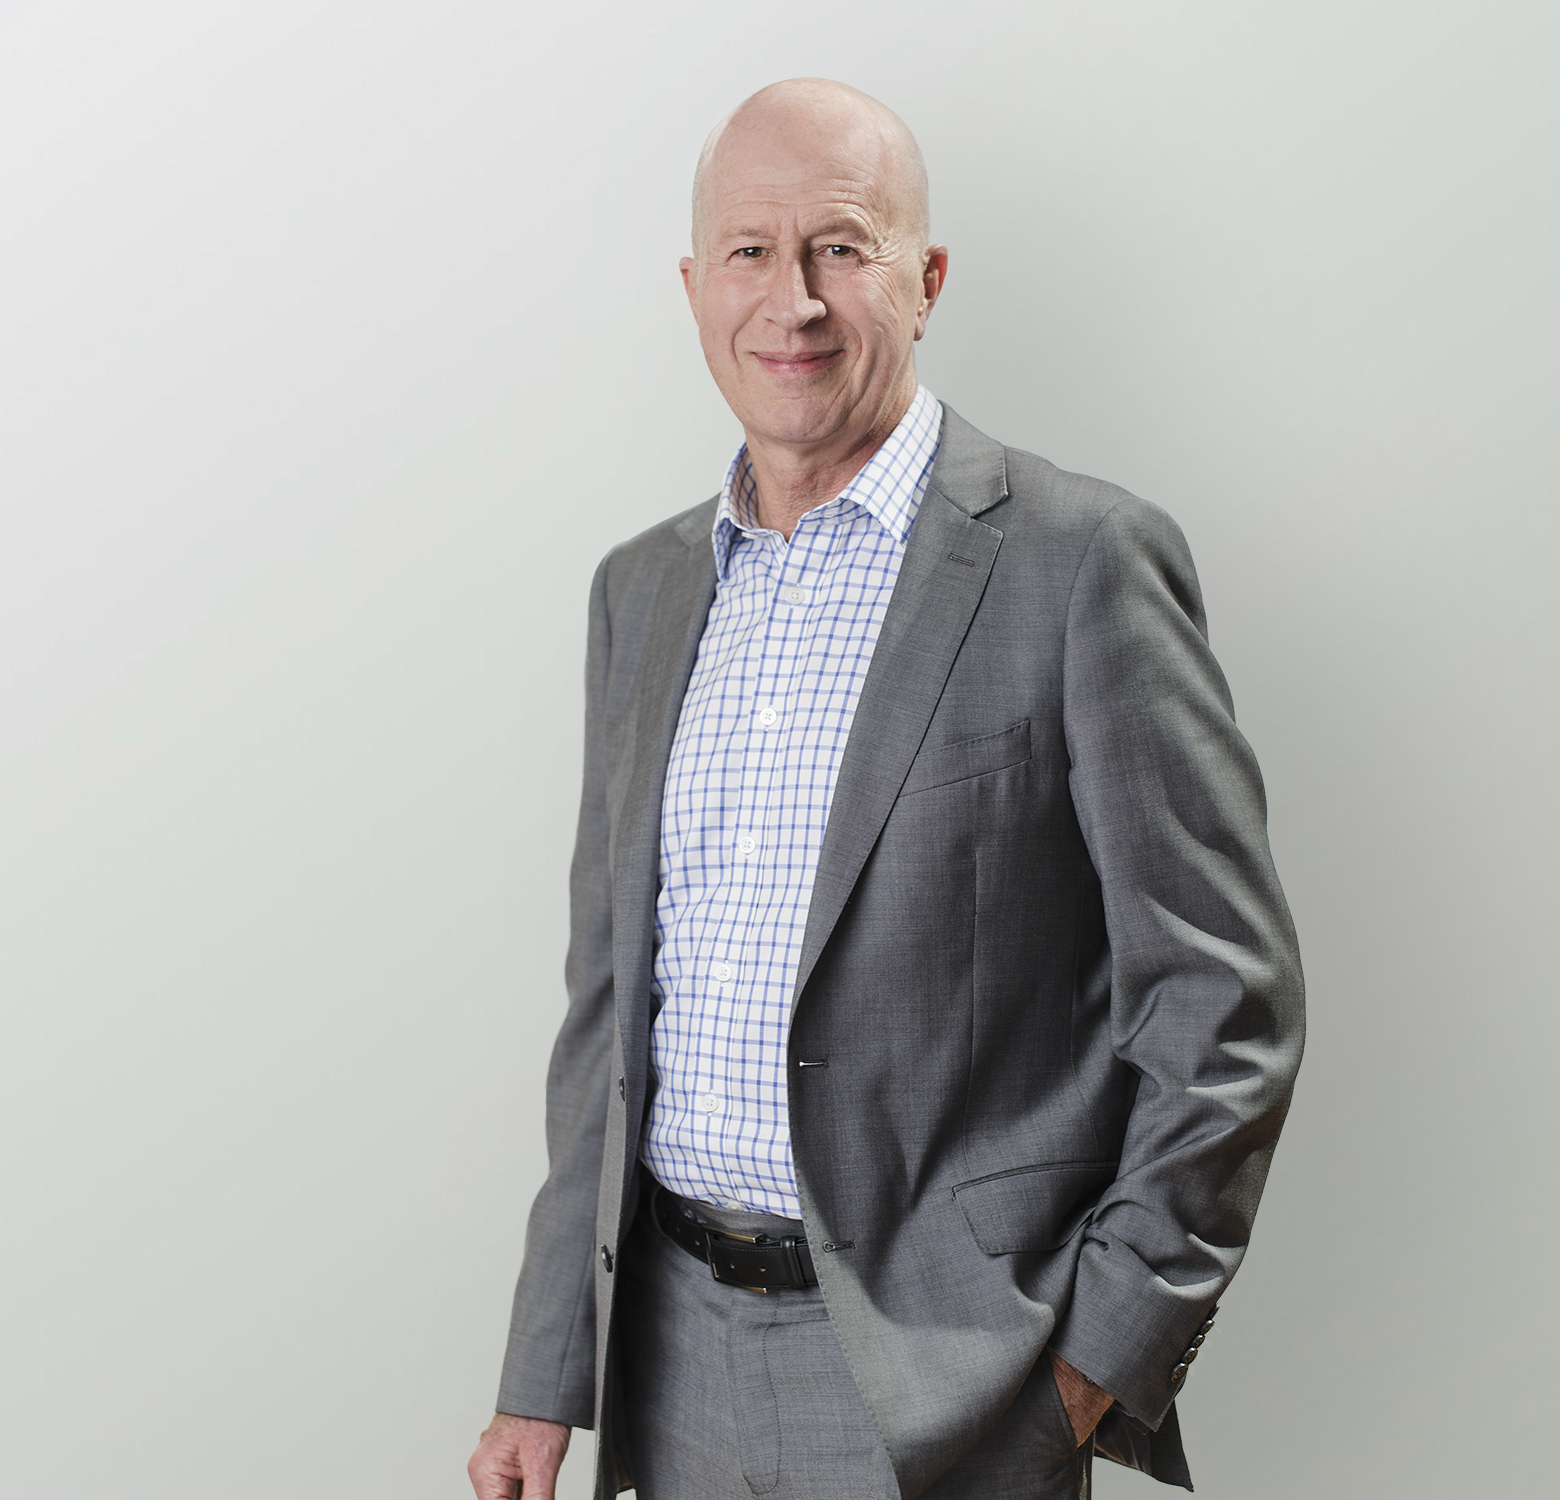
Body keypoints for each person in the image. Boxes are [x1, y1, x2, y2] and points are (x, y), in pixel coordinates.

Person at [468, 78, 1304, 1500]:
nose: (791, 301)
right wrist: (545, 1377)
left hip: (949, 1386)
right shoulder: (640, 591)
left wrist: (1095, 1362)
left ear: (925, 280)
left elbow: (1226, 1007)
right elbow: (605, 1013)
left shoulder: (1081, 565)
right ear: (694, 289)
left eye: (841, 248)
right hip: (667, 1364)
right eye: (749, 251)